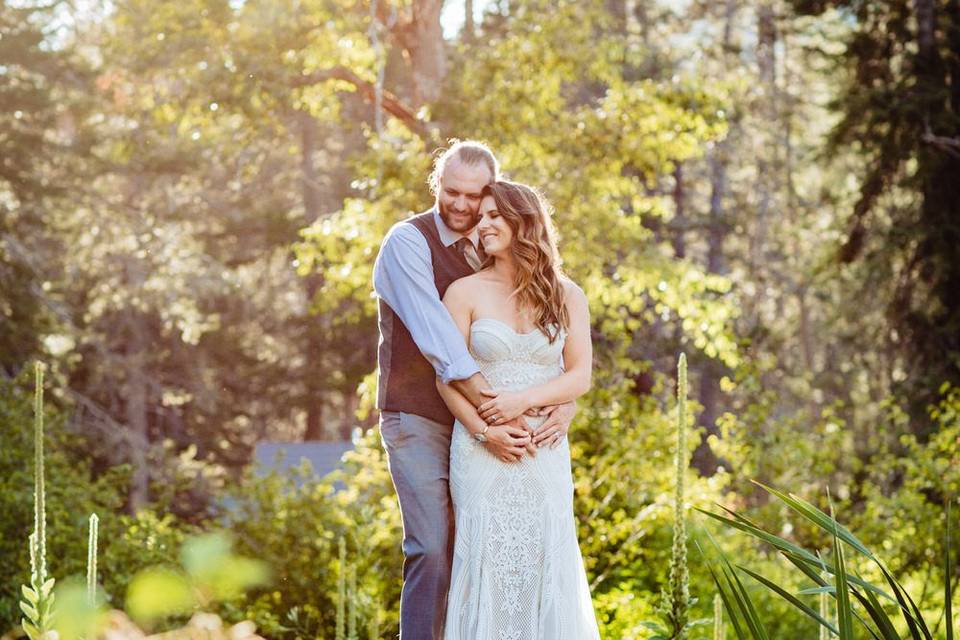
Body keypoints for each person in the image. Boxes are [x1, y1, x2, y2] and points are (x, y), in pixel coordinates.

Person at [372, 141, 577, 639]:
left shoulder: (491, 244)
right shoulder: (409, 243)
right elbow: (444, 348)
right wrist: (497, 417)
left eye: (475, 195)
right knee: (435, 547)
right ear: (435, 185)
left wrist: (563, 400)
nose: (462, 206)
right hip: (420, 417)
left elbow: (549, 344)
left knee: (486, 550)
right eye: (451, 192)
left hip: (482, 425)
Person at [436, 180, 600, 639]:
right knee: (486, 558)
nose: (482, 223)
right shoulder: (463, 292)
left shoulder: (568, 295)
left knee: (546, 557)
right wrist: (485, 432)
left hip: (544, 449)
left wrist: (526, 401)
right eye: (481, 215)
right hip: (481, 449)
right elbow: (446, 378)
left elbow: (579, 375)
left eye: (493, 215)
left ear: (522, 222)